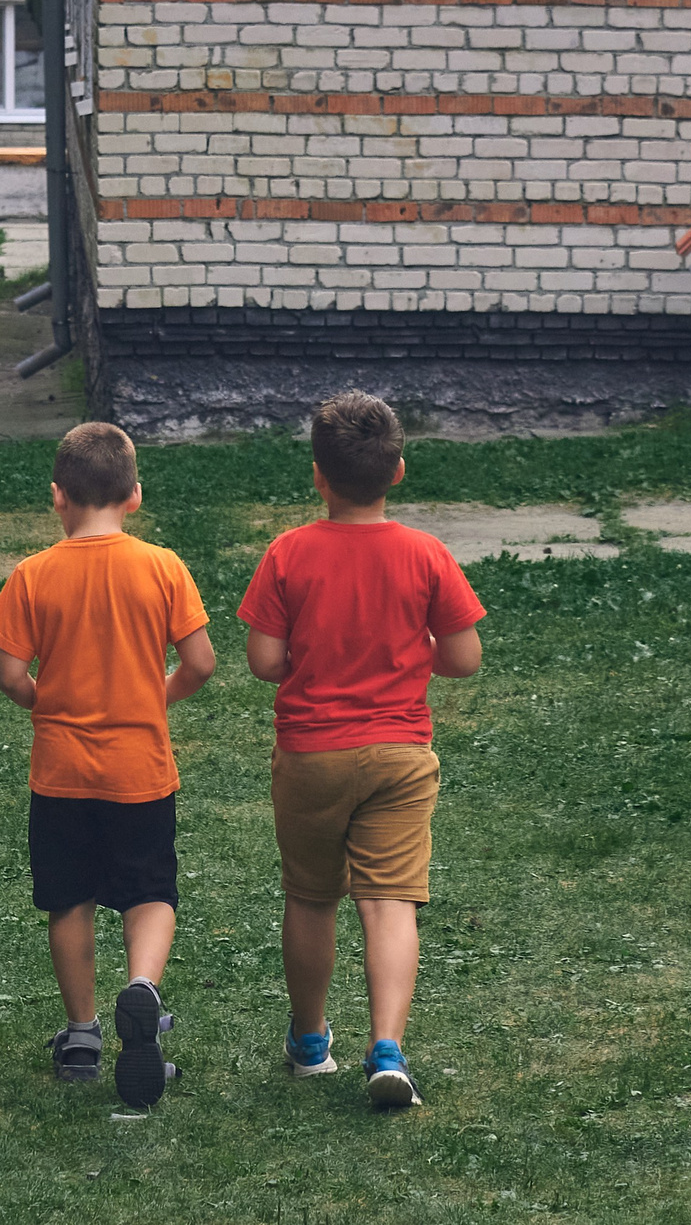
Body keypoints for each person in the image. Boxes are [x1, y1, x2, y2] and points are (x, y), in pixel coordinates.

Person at [238, 391, 486, 1112]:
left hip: (311, 753)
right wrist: (412, 654)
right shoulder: (426, 553)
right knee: (389, 901)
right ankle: (388, 1047)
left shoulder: (289, 552)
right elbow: (465, 656)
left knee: (312, 897)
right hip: (400, 753)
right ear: (398, 471)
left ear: (318, 475)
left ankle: (311, 1040)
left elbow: (262, 658)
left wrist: (312, 661)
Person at [0, 422, 217, 1111]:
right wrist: (156, 696)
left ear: (58, 497)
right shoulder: (164, 566)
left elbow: (8, 671)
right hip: (140, 768)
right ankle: (141, 987)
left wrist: (41, 699)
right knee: (149, 892)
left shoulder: (34, 574)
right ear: (135, 495)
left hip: (61, 773)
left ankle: (82, 1033)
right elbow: (200, 662)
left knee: (69, 896)